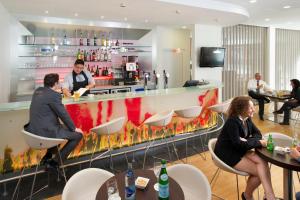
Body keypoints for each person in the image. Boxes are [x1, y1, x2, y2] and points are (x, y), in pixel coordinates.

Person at [214, 96, 276, 200]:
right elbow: (238, 144)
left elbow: (258, 134)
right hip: (228, 152)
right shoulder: (232, 122)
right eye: (251, 108)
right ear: (241, 109)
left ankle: (269, 195)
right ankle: (249, 196)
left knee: (262, 161)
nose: (254, 109)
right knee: (260, 173)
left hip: (240, 148)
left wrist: (247, 141)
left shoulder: (247, 119)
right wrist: (258, 143)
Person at [25, 73, 83, 168]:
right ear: (56, 83)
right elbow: (63, 114)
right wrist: (74, 128)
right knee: (78, 135)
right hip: (45, 132)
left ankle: (48, 156)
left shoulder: (38, 91)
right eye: (58, 82)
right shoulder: (54, 95)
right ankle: (55, 162)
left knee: (60, 128)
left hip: (32, 131)